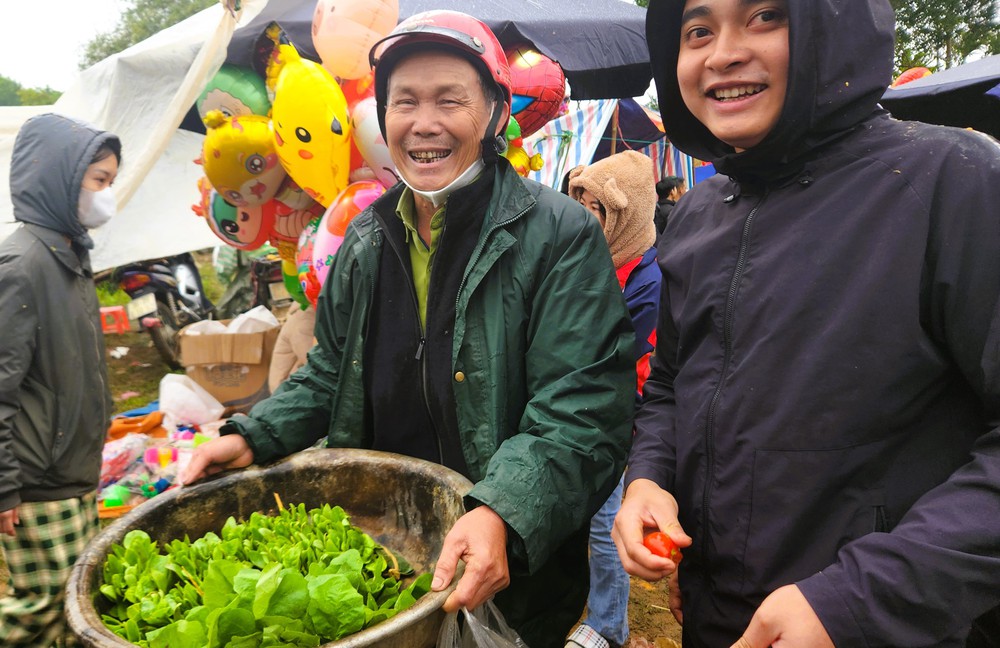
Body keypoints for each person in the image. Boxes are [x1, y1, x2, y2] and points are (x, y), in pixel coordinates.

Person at [180, 10, 637, 647]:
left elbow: (582, 409)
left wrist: (501, 511)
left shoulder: (557, 235)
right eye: (404, 102)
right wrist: (255, 434)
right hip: (384, 549)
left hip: (506, 565)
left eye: (450, 100)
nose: (424, 124)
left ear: (496, 114)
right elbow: (331, 371)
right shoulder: (367, 240)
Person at [612, 0, 1000, 647]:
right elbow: (672, 386)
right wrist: (648, 477)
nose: (723, 52)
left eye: (766, 16)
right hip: (720, 619)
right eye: (697, 30)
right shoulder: (700, 214)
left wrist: (853, 600)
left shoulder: (956, 184)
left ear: (836, 24)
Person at [0, 113, 122, 646]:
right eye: (99, 181)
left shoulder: (70, 256)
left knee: (74, 606)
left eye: (111, 182)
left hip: (71, 468)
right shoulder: (21, 265)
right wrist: (4, 486)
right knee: (39, 613)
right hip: (37, 479)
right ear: (60, 179)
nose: (106, 196)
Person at [565, 150, 661, 648]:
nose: (581, 213)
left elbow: (622, 364)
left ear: (626, 214)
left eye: (594, 206)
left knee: (606, 523)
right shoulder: (597, 260)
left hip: (622, 423)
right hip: (588, 413)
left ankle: (609, 627)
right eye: (577, 198)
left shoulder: (649, 282)